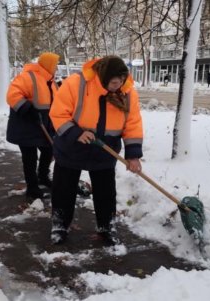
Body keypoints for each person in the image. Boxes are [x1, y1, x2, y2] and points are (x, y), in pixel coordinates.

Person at [49, 56, 143, 245]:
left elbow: (132, 123)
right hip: (72, 145)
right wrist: (75, 132)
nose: (118, 86)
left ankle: (107, 227)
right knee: (64, 189)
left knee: (106, 193)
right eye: (114, 82)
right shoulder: (76, 83)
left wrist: (133, 155)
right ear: (104, 77)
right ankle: (59, 225)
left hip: (105, 149)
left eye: (121, 81)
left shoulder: (128, 93)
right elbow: (58, 112)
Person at [6, 52, 60, 200]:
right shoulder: (27, 77)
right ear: (48, 65)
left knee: (48, 151)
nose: (56, 68)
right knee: (29, 158)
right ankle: (32, 187)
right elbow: (12, 95)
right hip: (26, 126)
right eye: (55, 65)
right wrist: (27, 108)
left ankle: (42, 176)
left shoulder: (51, 81)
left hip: (44, 126)